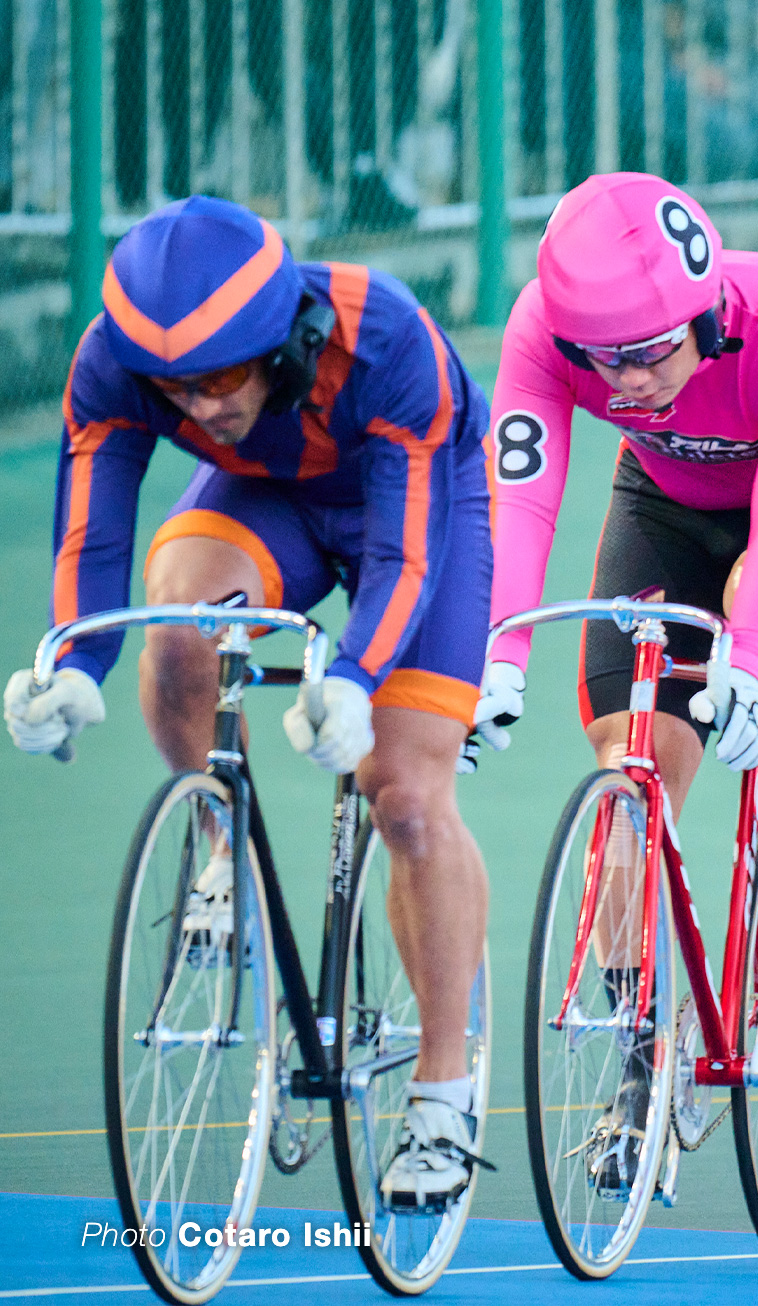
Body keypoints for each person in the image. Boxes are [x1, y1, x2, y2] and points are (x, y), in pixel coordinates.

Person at [2, 196, 496, 1210]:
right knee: (177, 617)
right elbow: (92, 534)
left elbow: (403, 557)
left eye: (222, 377)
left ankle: (444, 1093)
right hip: (267, 500)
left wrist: (354, 683)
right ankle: (219, 838)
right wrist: (73, 668)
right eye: (173, 387)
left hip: (418, 507)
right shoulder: (110, 361)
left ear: (285, 337)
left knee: (402, 795)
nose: (200, 406)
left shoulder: (386, 338)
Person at [475, 172, 758, 1173]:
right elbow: (523, 493)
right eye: (598, 360)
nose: (621, 381)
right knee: (631, 768)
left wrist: (748, 661)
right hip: (666, 497)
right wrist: (499, 655)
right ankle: (641, 1061)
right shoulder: (545, 329)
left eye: (644, 354)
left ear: (706, 312)